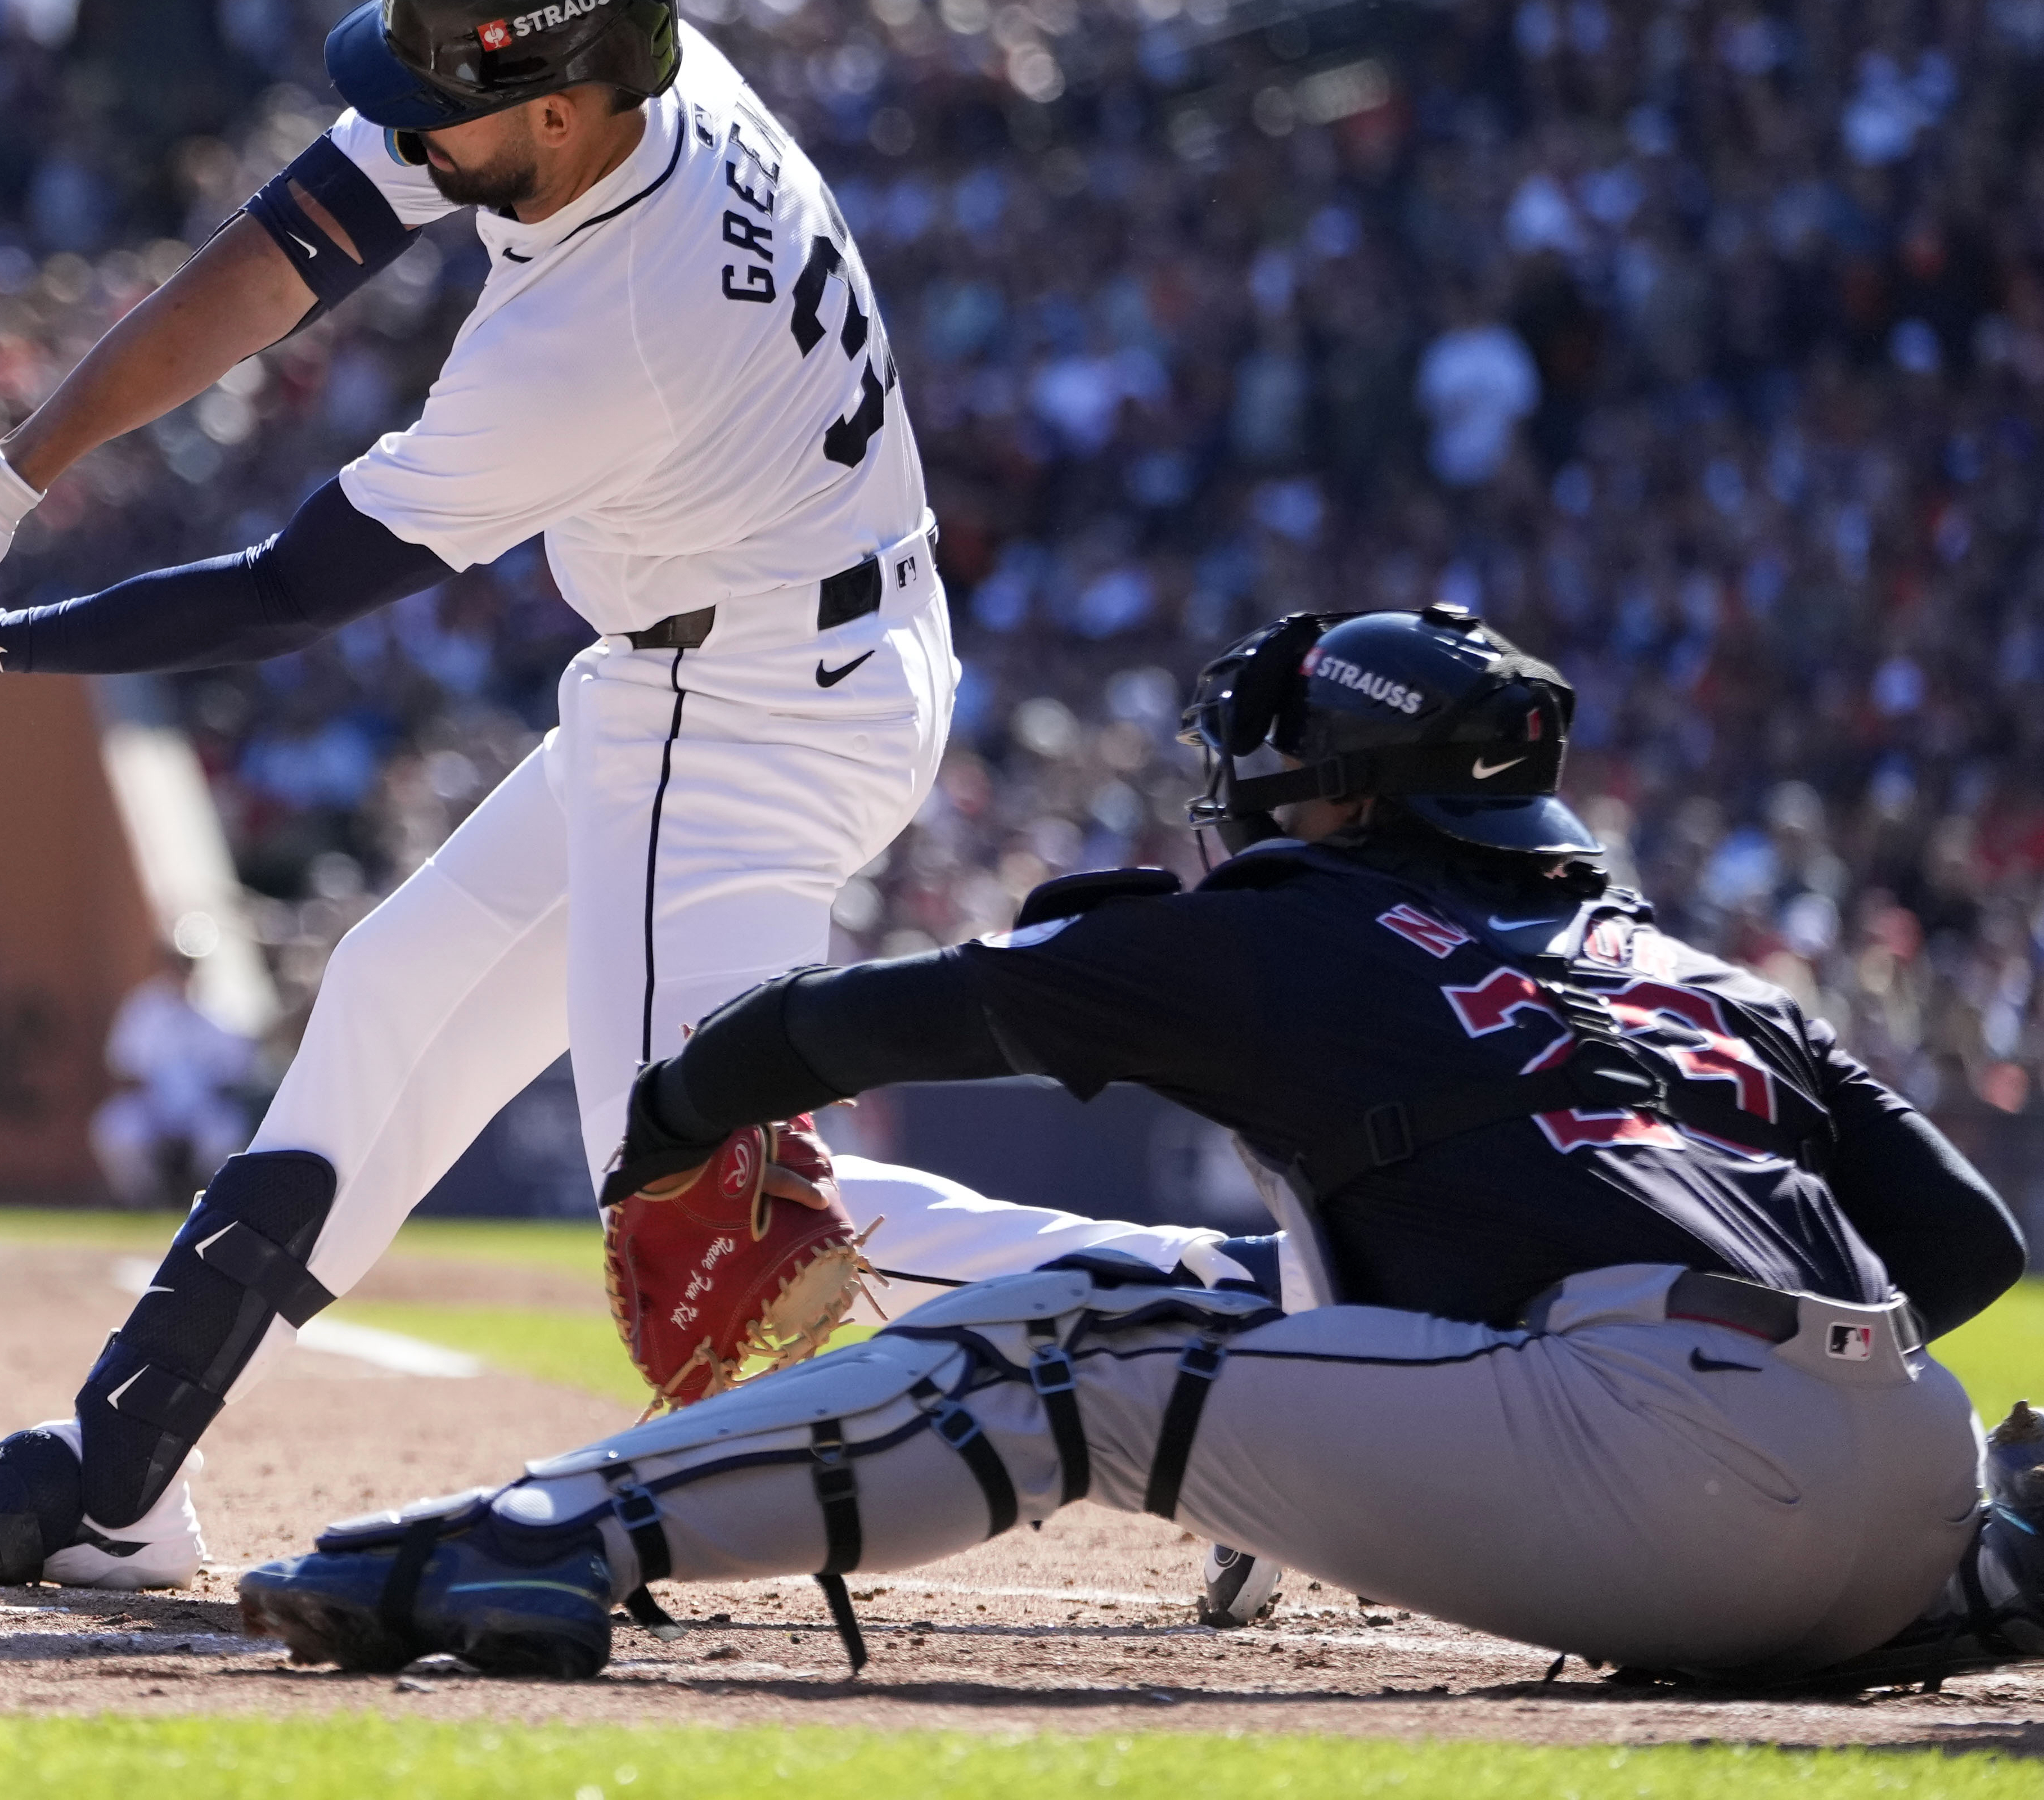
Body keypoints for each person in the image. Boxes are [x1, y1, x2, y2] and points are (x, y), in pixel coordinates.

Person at [0, 0, 968, 1590]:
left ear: (563, 108)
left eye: (450, 98)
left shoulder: (608, 330)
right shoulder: (622, 73)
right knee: (392, 991)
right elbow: (284, 248)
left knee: (702, 1197)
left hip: (740, 713)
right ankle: (120, 1477)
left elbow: (289, 592)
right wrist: (7, 478)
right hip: (740, 662)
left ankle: (1225, 1315)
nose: (408, 122)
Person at [234, 606, 2036, 1693]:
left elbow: (860, 1021)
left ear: (1343, 788)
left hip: (1675, 1470)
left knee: (1087, 1325)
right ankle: (1959, 1568)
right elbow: (1962, 1254)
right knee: (1212, 1280)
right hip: (1910, 1492)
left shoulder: (1298, 915)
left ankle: (547, 1530)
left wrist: (676, 1114)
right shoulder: (1698, 966)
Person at [92, 948, 259, 1209]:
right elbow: (123, 1068)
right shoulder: (144, 1007)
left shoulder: (219, 1006)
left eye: (188, 964)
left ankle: (212, 1203)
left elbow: (237, 1073)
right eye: (178, 964)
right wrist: (158, 1106)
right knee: (117, 1129)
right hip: (152, 1105)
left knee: (225, 1134)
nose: (182, 972)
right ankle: (142, 1203)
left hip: (203, 1108)